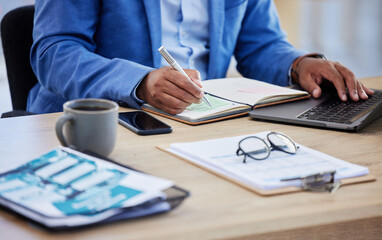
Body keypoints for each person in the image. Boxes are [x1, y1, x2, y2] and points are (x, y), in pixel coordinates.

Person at [28, 0, 374, 115]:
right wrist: (140, 82)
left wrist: (300, 65)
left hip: (203, 123)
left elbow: (260, 46)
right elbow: (54, 51)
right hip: (101, 123)